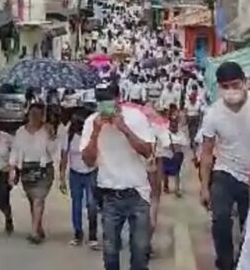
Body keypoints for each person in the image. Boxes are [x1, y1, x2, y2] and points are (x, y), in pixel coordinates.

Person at [80, 82, 155, 270]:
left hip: (137, 192)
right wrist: (96, 132)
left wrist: (124, 129)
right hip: (109, 194)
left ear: (117, 98)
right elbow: (88, 161)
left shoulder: (136, 117)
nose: (104, 104)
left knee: (140, 251)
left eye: (108, 99)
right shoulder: (91, 122)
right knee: (110, 252)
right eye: (100, 101)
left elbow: (147, 151)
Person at [200, 62, 250, 270]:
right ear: (219, 88)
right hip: (225, 172)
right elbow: (206, 152)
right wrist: (204, 187)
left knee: (247, 229)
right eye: (226, 87)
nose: (231, 91)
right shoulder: (213, 114)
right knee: (220, 220)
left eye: (235, 85)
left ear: (245, 83)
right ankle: (225, 263)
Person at [9, 103, 56, 244]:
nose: (35, 117)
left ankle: (34, 232)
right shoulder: (20, 132)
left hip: (43, 168)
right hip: (27, 169)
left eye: (39, 114)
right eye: (33, 113)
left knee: (38, 199)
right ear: (28, 114)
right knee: (32, 199)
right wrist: (12, 168)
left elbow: (53, 151)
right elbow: (15, 150)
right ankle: (38, 225)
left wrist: (51, 135)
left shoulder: (46, 130)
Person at [59, 109, 99, 249]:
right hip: (75, 174)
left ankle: (93, 236)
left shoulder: (93, 136)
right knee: (76, 204)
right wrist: (62, 177)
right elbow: (64, 157)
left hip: (91, 173)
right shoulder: (69, 137)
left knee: (92, 204)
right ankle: (78, 233)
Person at [161, 105, 187, 197]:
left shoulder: (181, 134)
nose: (174, 127)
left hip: (177, 156)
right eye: (172, 125)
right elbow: (165, 144)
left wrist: (176, 146)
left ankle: (177, 189)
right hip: (166, 155)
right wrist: (174, 145)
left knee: (177, 172)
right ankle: (166, 186)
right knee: (165, 172)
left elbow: (184, 143)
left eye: (175, 125)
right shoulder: (165, 133)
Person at [185, 84, 202, 149]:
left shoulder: (198, 102)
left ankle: (194, 141)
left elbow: (199, 111)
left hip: (196, 117)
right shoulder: (188, 102)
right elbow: (185, 111)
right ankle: (192, 141)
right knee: (191, 130)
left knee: (195, 130)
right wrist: (186, 118)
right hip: (190, 117)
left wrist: (200, 118)